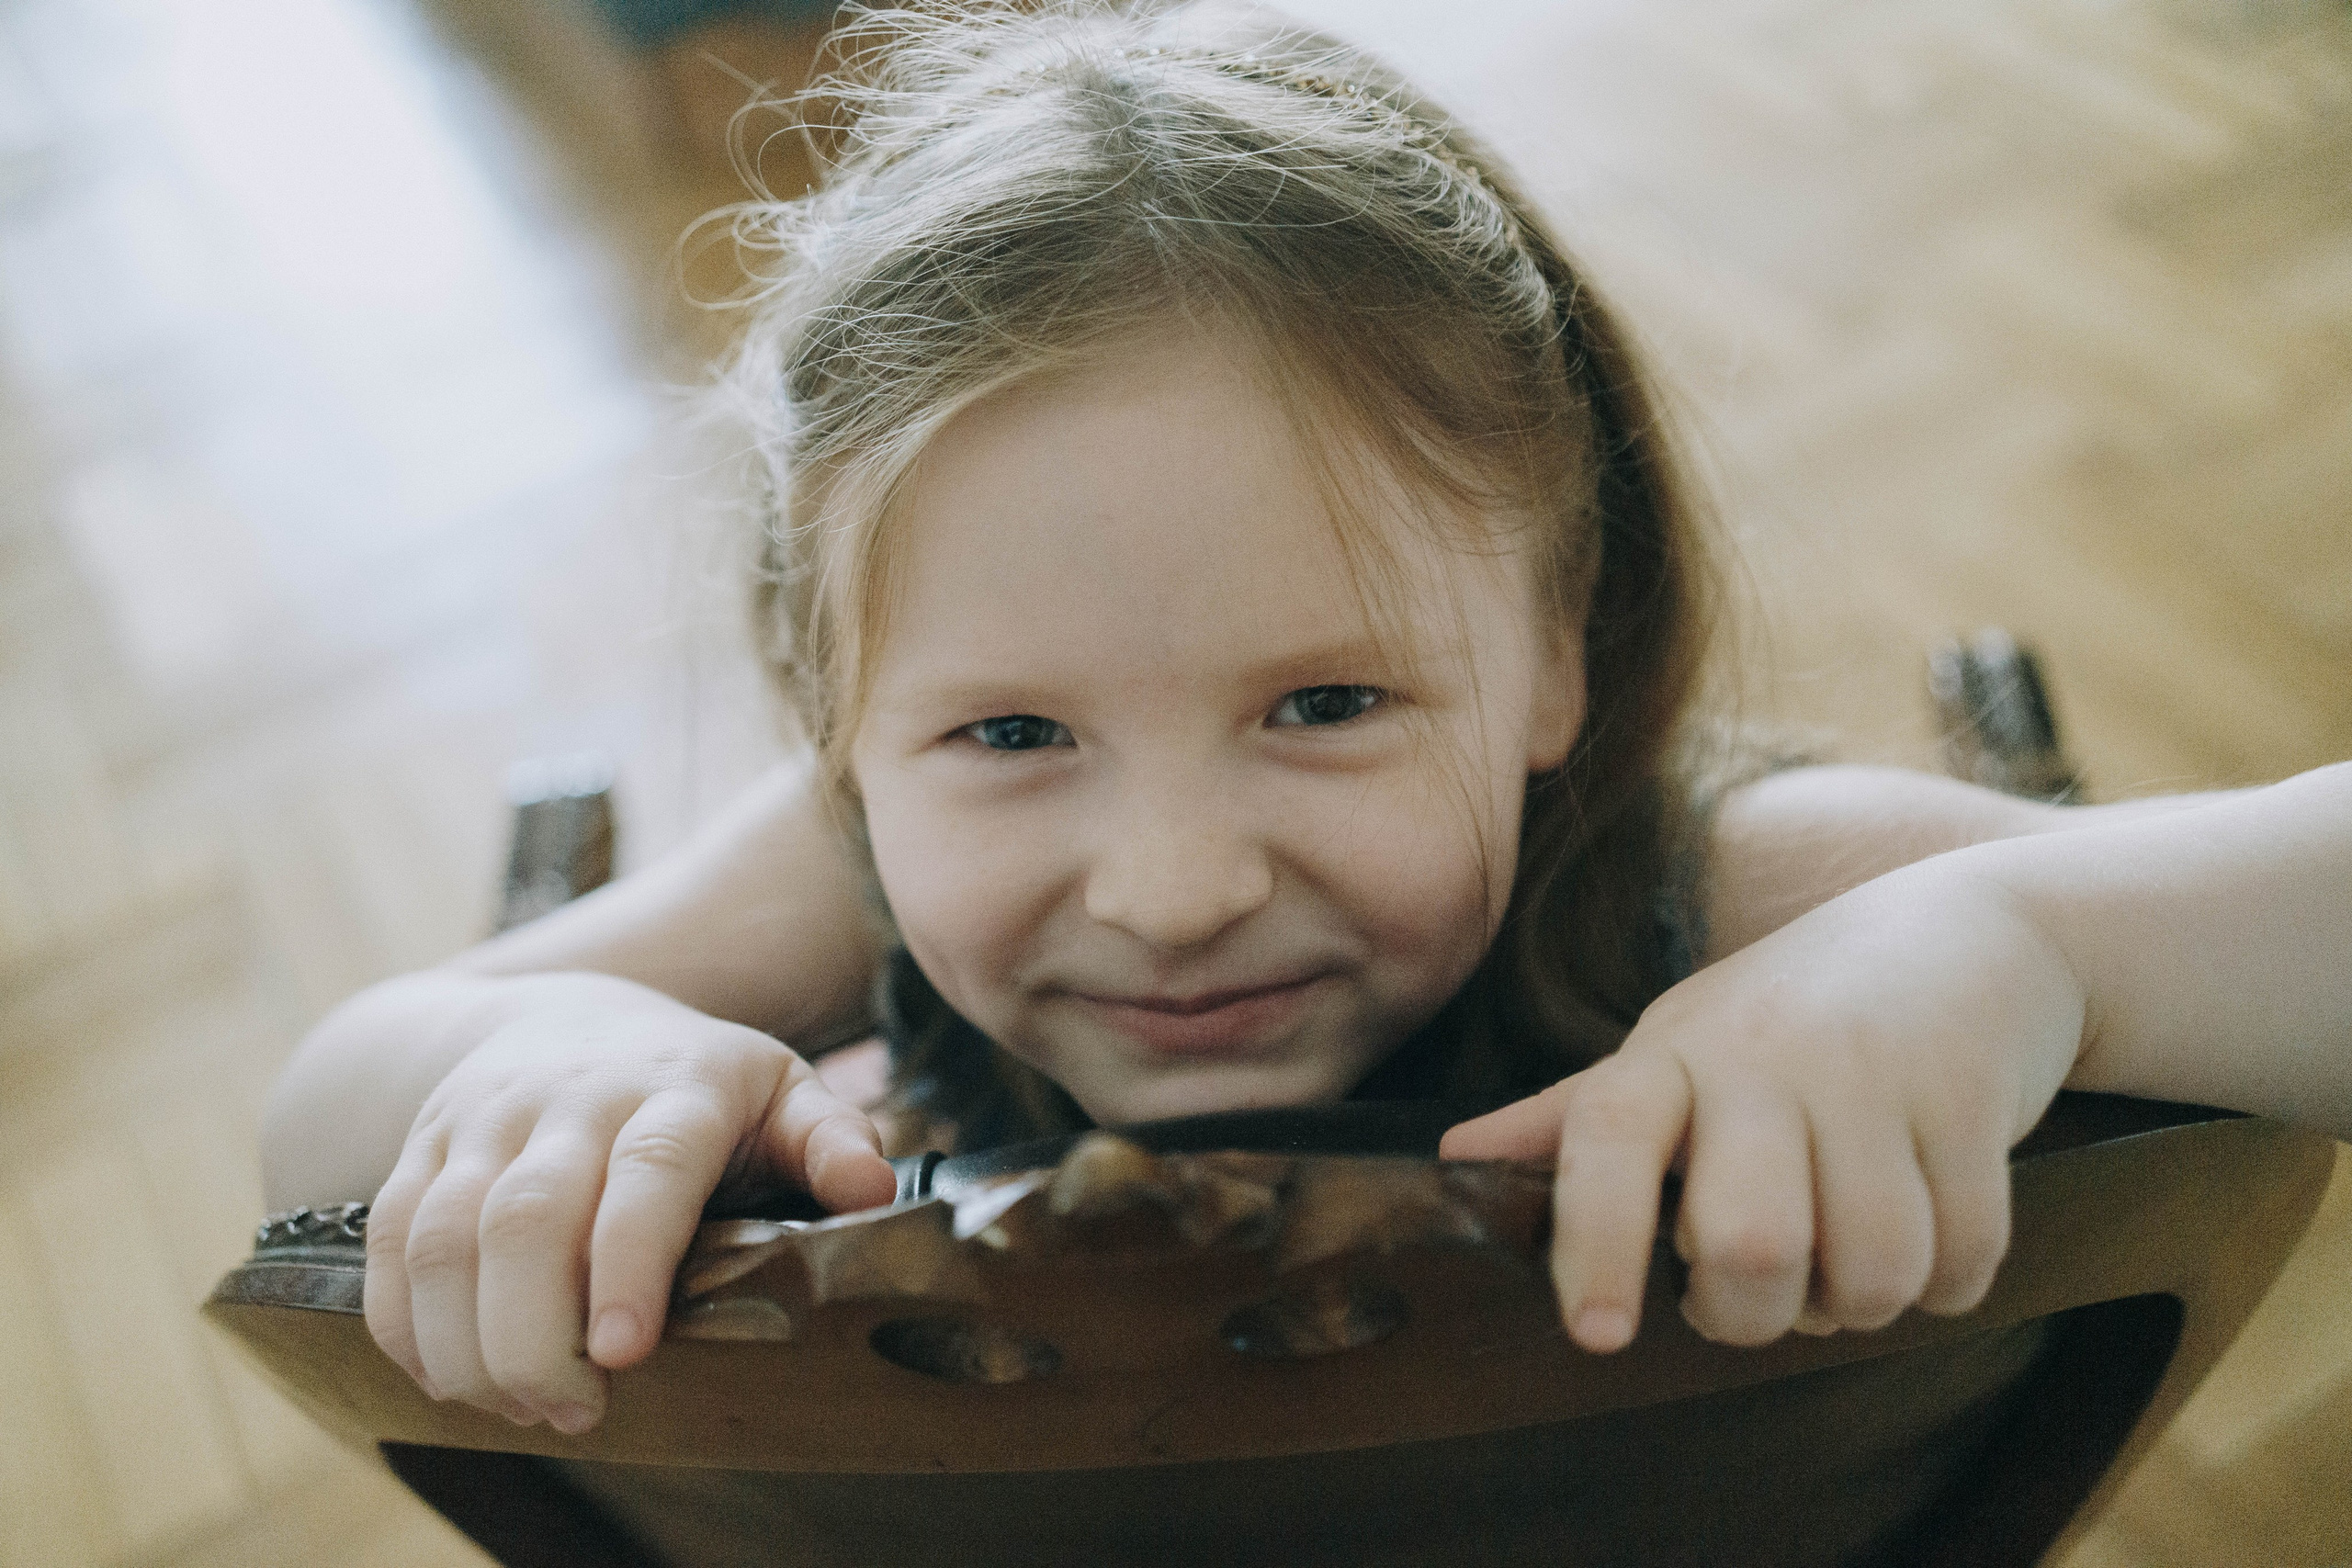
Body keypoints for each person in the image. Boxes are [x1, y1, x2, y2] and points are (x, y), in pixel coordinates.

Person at [259, 0, 2351, 1441]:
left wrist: (2016, 941)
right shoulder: (839, 867)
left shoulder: (1696, 882)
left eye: (1328, 701)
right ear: (836, 724)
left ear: (1559, 652)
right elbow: (313, 1138)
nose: (1172, 891)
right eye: (1008, 736)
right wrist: (538, 1057)